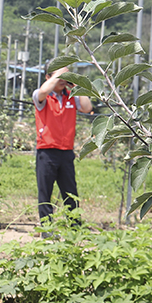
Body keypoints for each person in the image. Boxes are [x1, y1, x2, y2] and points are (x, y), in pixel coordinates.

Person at [33, 64, 93, 222]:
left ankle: (74, 229)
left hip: (66, 151)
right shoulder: (42, 96)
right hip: (46, 152)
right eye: (59, 77)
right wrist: (57, 75)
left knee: (70, 193)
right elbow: (43, 91)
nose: (62, 80)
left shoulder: (72, 96)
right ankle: (47, 231)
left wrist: (77, 84)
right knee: (45, 194)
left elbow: (87, 108)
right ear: (48, 77)